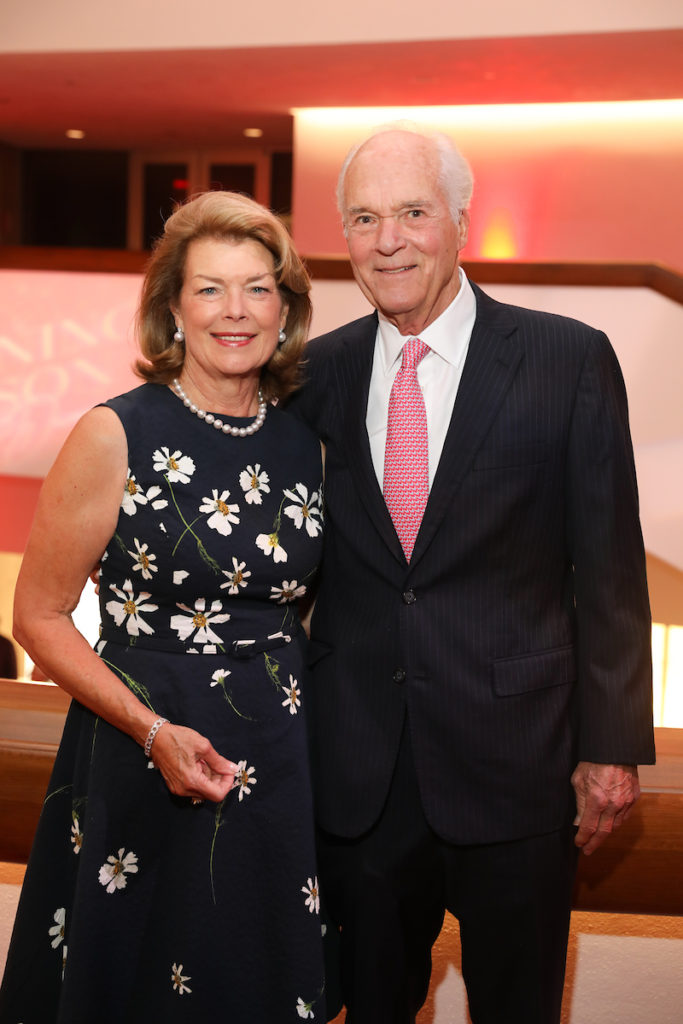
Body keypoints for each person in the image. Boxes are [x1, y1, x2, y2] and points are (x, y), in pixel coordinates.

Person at [288, 127, 655, 1024]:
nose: (387, 241)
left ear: (458, 221)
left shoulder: (566, 359)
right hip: (358, 776)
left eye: (411, 213)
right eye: (363, 219)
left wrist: (610, 746)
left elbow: (608, 569)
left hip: (520, 770)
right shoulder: (311, 375)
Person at [0, 191, 326, 1023]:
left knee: (247, 981)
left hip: (275, 760)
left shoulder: (307, 447)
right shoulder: (115, 433)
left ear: (284, 309)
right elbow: (38, 617)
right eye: (209, 289)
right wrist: (152, 732)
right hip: (140, 749)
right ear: (173, 309)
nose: (235, 311)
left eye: (257, 289)